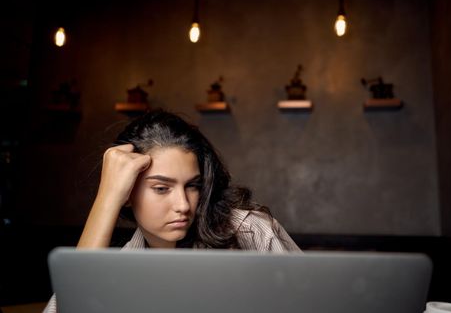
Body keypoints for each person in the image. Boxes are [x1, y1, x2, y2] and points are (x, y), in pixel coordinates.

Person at [43, 109, 300, 313]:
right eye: (161, 188)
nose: (183, 205)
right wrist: (107, 197)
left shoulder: (248, 229)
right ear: (127, 193)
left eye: (192, 186)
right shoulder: (112, 271)